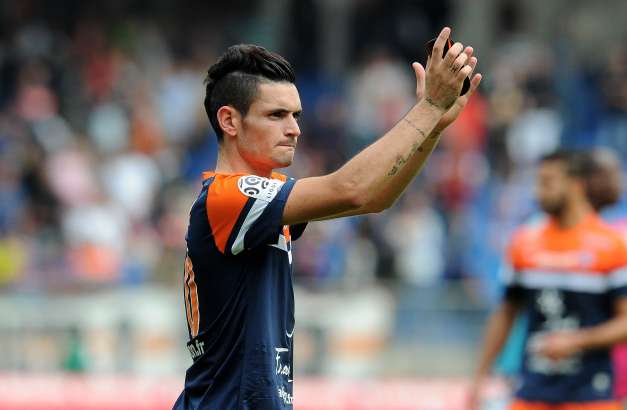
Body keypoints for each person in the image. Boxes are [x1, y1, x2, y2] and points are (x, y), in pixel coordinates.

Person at [172, 27, 481, 409]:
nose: (294, 129)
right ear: (230, 121)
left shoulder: (260, 201)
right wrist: (428, 108)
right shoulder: (228, 197)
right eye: (276, 115)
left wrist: (432, 128)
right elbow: (352, 188)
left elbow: (375, 198)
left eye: (296, 115)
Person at [467, 150, 627, 410]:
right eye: (538, 182)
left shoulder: (612, 246)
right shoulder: (524, 243)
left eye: (548, 182)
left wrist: (576, 341)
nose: (538, 192)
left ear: (576, 185)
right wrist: (479, 376)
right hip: (532, 392)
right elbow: (505, 313)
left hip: (592, 395)